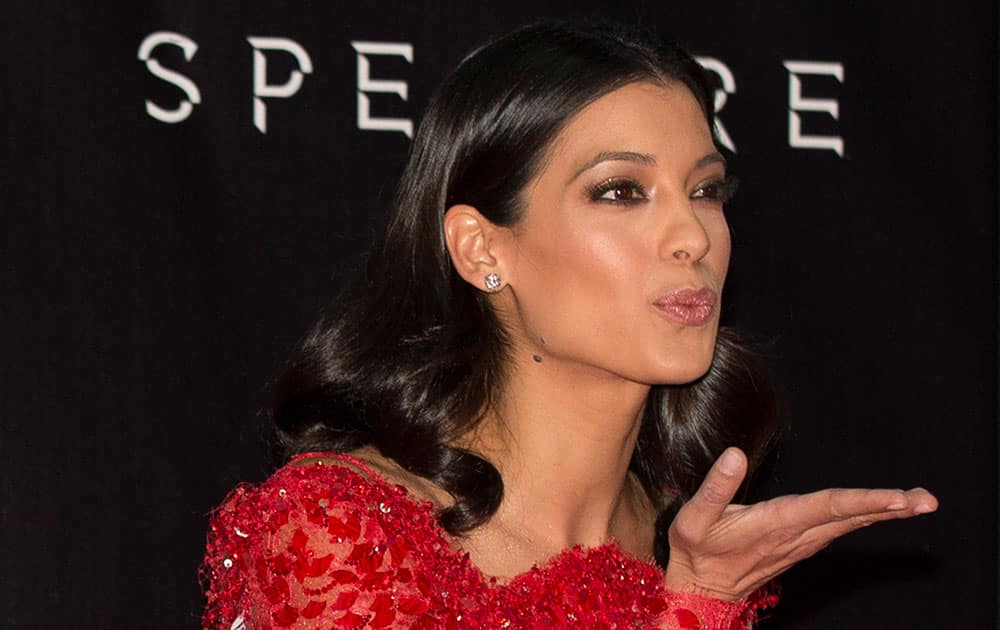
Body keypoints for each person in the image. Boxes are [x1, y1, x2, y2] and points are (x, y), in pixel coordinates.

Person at [200, 22, 937, 629]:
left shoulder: (689, 544)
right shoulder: (338, 530)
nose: (693, 236)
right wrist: (692, 612)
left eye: (705, 190)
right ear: (483, 248)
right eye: (621, 191)